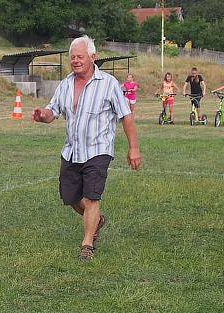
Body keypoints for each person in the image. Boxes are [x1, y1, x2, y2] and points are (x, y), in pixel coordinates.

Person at [31, 36, 142, 261]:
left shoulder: (108, 83)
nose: (75, 61)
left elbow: (126, 117)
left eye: (80, 56)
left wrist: (133, 148)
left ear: (93, 56)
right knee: (70, 196)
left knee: (92, 197)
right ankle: (97, 220)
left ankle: (87, 244)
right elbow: (53, 112)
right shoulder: (65, 84)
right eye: (72, 57)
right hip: (72, 150)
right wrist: (43, 115)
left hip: (98, 150)